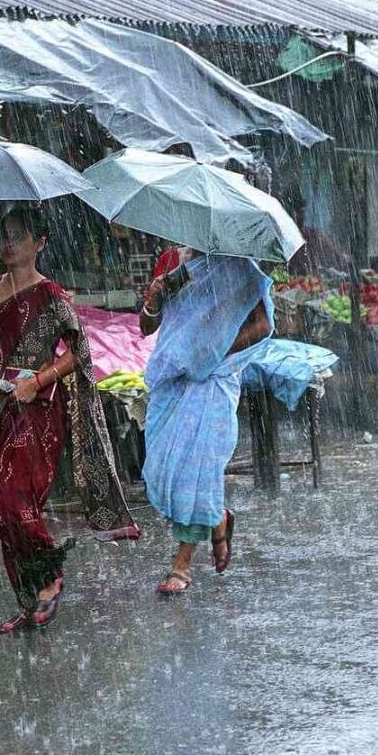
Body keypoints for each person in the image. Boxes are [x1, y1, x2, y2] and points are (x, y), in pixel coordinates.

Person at [0, 205, 140, 632]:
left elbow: (80, 353)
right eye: (5, 235)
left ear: (40, 244)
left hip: (37, 410)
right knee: (2, 510)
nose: (9, 243)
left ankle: (50, 577)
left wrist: (38, 380)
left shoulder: (51, 296)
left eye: (19, 236)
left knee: (15, 497)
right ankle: (28, 599)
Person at [139, 248, 274, 594]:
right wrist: (154, 297)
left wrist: (215, 352)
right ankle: (217, 519)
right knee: (162, 467)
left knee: (196, 469)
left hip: (214, 380)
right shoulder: (172, 262)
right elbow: (147, 327)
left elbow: (263, 324)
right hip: (173, 379)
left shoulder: (240, 266)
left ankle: (182, 563)